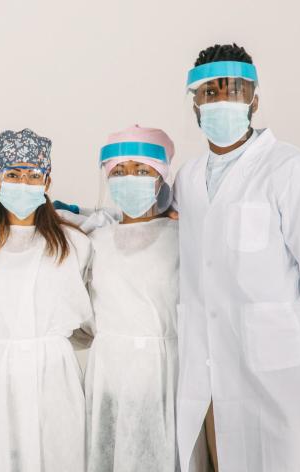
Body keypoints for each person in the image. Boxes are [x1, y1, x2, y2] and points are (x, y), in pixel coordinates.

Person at [174, 43, 300, 472]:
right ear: (195, 106)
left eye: (233, 91)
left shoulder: (294, 171)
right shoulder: (187, 178)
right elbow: (147, 217)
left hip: (284, 381)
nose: (221, 101)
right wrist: (86, 218)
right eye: (209, 92)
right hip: (210, 376)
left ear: (254, 100)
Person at [0, 129, 92, 472]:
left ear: (47, 182)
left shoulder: (72, 242)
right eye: (14, 174)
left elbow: (91, 320)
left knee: (58, 456)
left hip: (54, 373)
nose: (24, 182)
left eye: (34, 175)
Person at [85, 125, 186, 472]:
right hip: (108, 377)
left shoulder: (183, 238)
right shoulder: (97, 240)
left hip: (164, 377)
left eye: (142, 170)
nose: (130, 179)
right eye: (120, 171)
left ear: (161, 179)